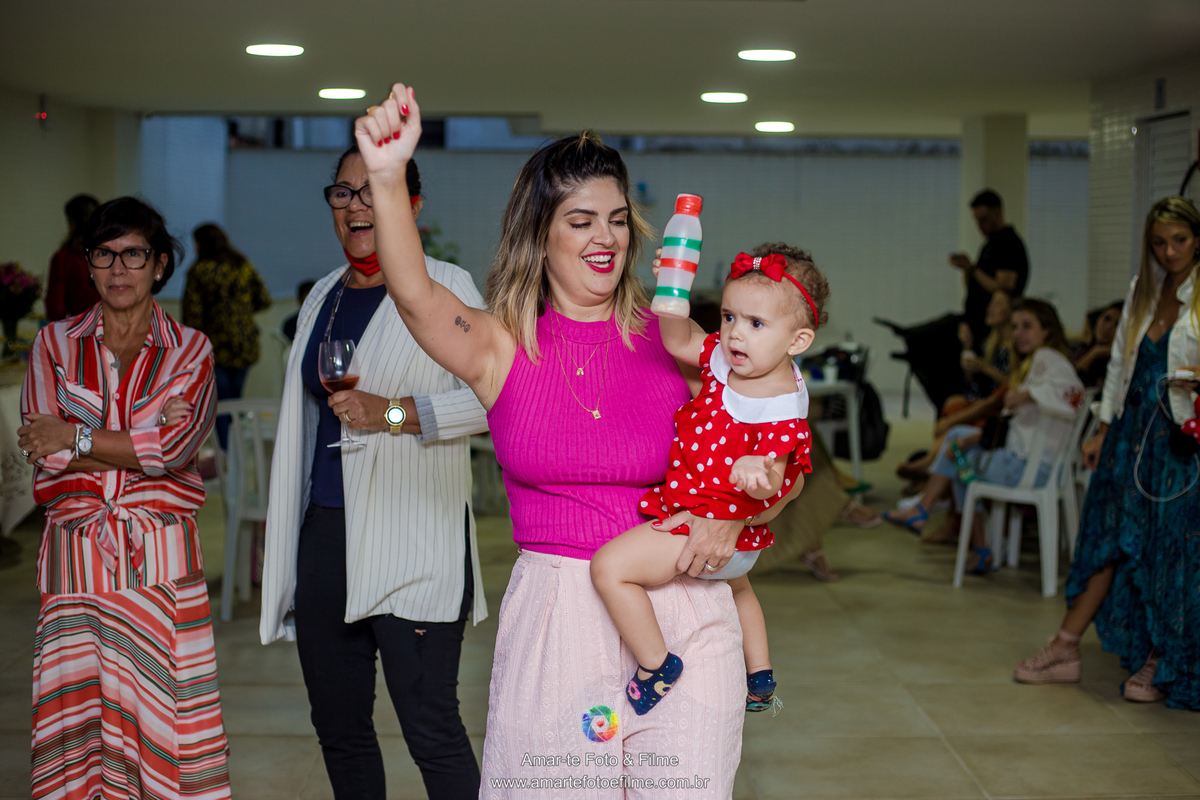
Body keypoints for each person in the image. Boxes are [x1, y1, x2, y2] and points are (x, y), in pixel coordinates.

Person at [358, 83, 800, 797]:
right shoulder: (499, 347)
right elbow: (415, 296)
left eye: (619, 221)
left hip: (683, 607)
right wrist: (385, 177)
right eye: (582, 221)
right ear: (541, 234)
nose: (607, 239)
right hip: (559, 619)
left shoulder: (684, 344)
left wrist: (738, 515)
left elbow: (786, 462)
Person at [259, 145, 489, 800]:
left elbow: (493, 399)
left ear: (408, 204)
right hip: (326, 536)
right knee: (339, 725)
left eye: (374, 191)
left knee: (430, 727)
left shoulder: (447, 287)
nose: (357, 205)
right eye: (343, 192)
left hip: (412, 535)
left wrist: (390, 414)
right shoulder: (323, 297)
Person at [19, 197, 230, 798]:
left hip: (162, 572)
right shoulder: (53, 346)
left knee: (167, 734)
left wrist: (78, 433)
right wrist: (138, 442)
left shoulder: (191, 350)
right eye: (104, 254)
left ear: (160, 264)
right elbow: (45, 451)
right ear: (87, 264)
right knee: (76, 738)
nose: (118, 269)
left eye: (133, 254)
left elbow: (177, 448)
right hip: (75, 567)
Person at [591, 247, 827, 716]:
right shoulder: (729, 363)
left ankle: (656, 665)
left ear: (799, 340)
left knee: (609, 569)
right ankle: (760, 676)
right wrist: (673, 287)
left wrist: (755, 474)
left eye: (756, 324)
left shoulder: (779, 405)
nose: (736, 332)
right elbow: (678, 339)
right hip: (737, 547)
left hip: (712, 523)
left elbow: (775, 482)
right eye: (729, 316)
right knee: (739, 588)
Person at [1014, 196, 1200, 709]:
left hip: (1180, 442)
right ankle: (1065, 646)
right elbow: (1119, 365)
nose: (1169, 252)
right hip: (1129, 433)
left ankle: (1162, 657)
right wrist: (1101, 429)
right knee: (1106, 536)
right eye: (1160, 243)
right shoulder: (1144, 289)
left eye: (1179, 241)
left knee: (1165, 551)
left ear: (1197, 239)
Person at [883, 299, 1083, 572]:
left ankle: (926, 512)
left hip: (1029, 468)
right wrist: (971, 439)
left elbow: (1074, 397)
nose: (1018, 334)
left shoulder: (1048, 359)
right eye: (1014, 327)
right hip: (1030, 462)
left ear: (1047, 330)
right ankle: (971, 544)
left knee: (959, 461)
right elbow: (1017, 426)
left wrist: (1028, 394)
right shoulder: (1039, 361)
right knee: (959, 447)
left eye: (1027, 326)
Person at [181, 223, 272, 447]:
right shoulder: (243, 265)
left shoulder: (200, 271)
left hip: (215, 346)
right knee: (237, 400)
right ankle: (237, 448)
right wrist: (239, 314)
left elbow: (192, 315)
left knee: (222, 404)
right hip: (244, 344)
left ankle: (226, 454)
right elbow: (264, 299)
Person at [951, 189, 1029, 347]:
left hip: (987, 325)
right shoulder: (989, 245)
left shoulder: (1009, 244)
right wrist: (967, 269)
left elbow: (1003, 289)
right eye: (977, 221)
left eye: (983, 220)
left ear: (998, 213)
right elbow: (974, 285)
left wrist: (972, 269)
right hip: (974, 319)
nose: (979, 226)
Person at [44, 193, 102, 321]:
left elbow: (56, 310)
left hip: (83, 330)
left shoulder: (64, 258)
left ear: (72, 222)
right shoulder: (112, 253)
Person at [1072, 300, 1123, 388]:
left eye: (1117, 325)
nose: (1108, 327)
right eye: (1106, 319)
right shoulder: (1078, 349)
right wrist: (1094, 354)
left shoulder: (1119, 362)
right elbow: (1068, 381)